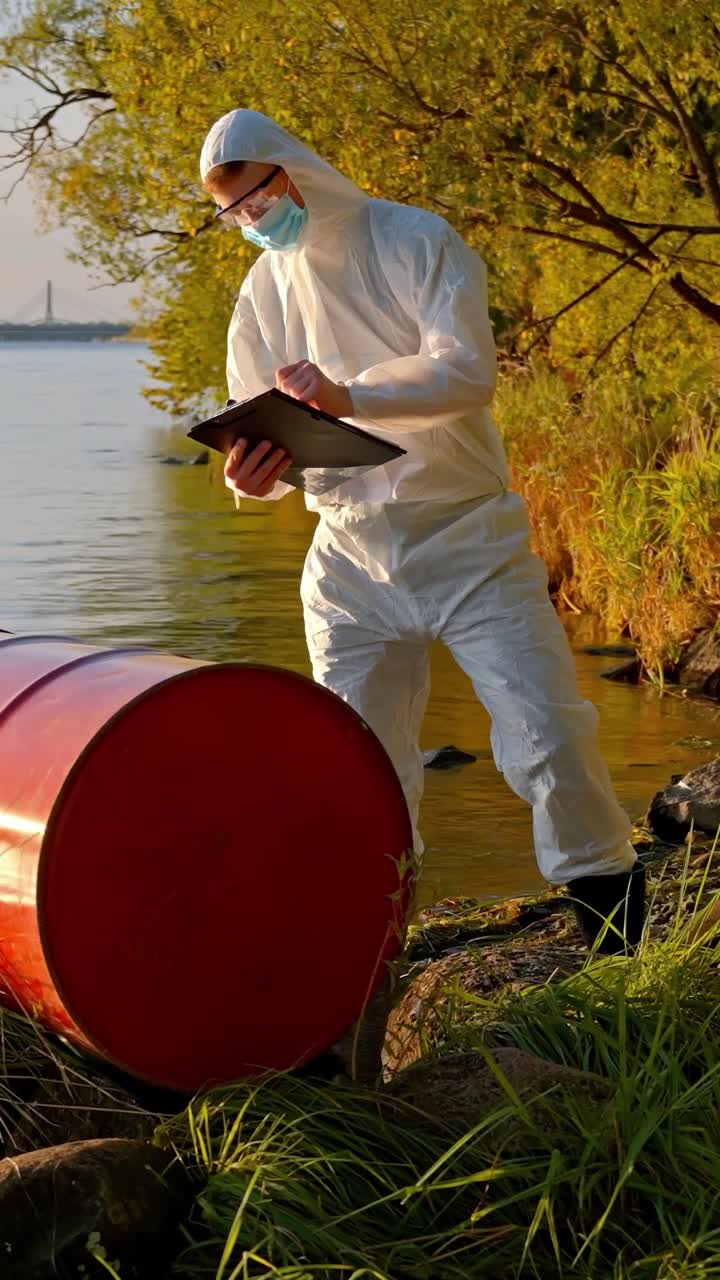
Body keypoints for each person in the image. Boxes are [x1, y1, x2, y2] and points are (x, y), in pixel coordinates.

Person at [199, 108, 645, 956]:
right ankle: (371, 954)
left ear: (290, 172)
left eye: (252, 204)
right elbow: (255, 423)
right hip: (347, 557)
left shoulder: (413, 240)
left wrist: (349, 396)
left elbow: (467, 372)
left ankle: (616, 945)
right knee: (356, 768)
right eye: (232, 217)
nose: (249, 226)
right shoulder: (262, 293)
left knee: (550, 735)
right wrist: (251, 477)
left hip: (467, 538)